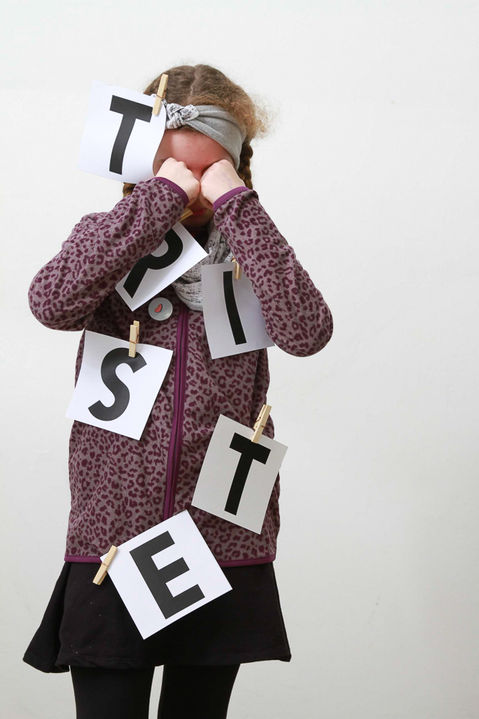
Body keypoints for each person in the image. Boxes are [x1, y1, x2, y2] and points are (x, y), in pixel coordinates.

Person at [23, 64, 333, 719]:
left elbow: (307, 333)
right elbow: (51, 303)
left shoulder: (253, 257)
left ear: (237, 168)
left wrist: (237, 206)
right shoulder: (107, 240)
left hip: (221, 533)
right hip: (114, 535)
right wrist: (154, 201)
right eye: (174, 169)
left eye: (208, 169)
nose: (191, 187)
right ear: (141, 166)